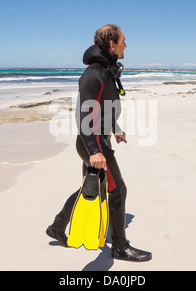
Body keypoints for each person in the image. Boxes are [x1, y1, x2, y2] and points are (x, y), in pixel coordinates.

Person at [47, 24, 152, 262]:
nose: (127, 45)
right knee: (117, 190)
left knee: (91, 188)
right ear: (112, 44)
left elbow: (103, 109)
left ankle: (57, 227)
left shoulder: (107, 71)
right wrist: (95, 150)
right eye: (124, 41)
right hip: (91, 143)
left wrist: (115, 129)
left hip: (99, 138)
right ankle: (120, 247)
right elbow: (85, 116)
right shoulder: (93, 73)